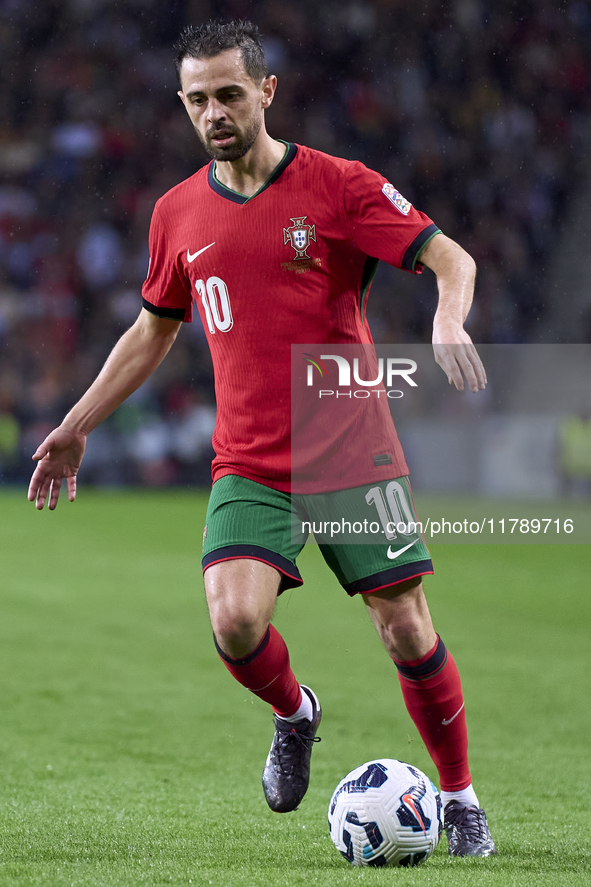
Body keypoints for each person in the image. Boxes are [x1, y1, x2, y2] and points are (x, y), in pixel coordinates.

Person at [28, 19, 496, 857]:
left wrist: (447, 319)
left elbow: (449, 258)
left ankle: (459, 799)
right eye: (197, 98)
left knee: (405, 628)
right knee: (235, 624)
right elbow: (151, 331)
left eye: (229, 94)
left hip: (350, 445)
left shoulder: (339, 186)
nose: (213, 111)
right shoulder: (174, 213)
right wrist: (73, 426)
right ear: (183, 103)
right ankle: (295, 712)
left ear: (266, 92)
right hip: (249, 458)